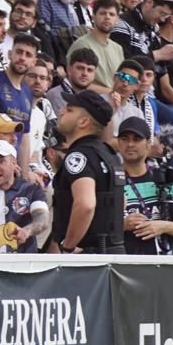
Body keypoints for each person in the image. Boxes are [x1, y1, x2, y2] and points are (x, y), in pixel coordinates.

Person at [49, 91, 125, 254]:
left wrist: (68, 246)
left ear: (83, 122)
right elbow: (121, 202)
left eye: (69, 110)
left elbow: (86, 204)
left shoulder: (78, 156)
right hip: (115, 252)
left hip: (88, 259)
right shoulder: (110, 155)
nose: (61, 111)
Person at [117, 117, 173, 255]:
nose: (130, 144)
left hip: (163, 267)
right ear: (118, 143)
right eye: (124, 139)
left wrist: (163, 226)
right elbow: (95, 228)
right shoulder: (109, 181)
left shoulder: (168, 179)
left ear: (148, 144)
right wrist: (121, 225)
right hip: (124, 267)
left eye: (136, 139)